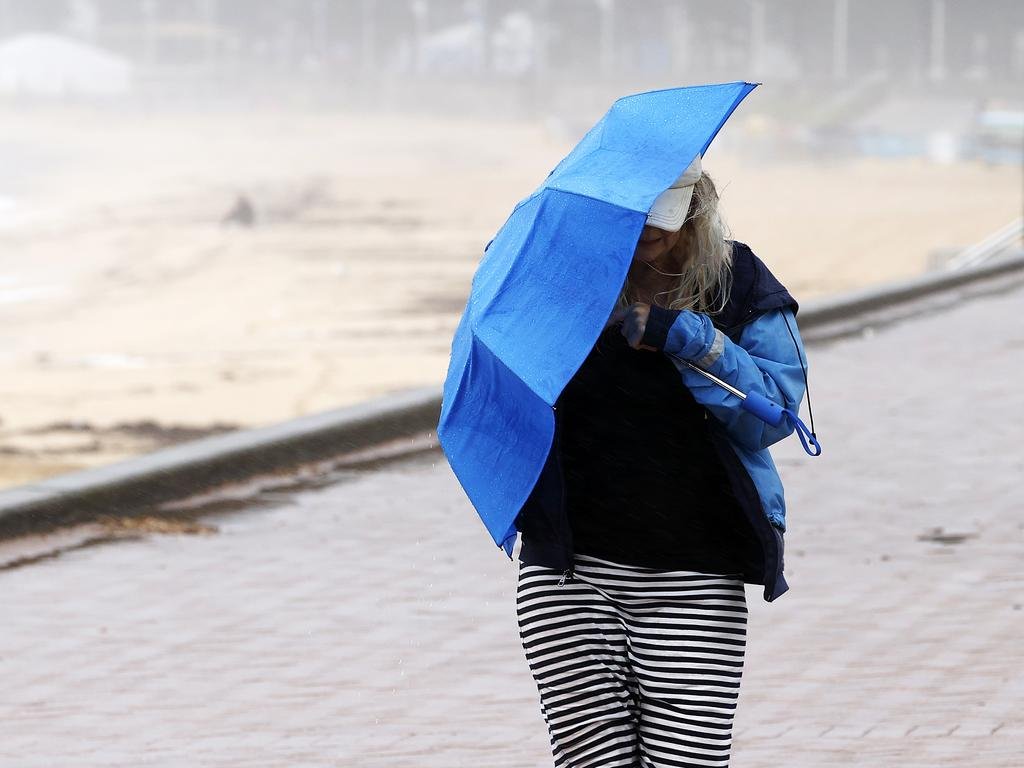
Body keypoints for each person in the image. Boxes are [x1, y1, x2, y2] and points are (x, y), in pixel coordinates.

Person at [513, 154, 809, 767]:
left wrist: (691, 339)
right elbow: (508, 384)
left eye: (662, 213)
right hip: (568, 570)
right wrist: (524, 273)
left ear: (695, 206)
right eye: (630, 211)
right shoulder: (565, 280)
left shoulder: (739, 283)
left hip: (695, 572)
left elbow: (774, 417)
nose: (647, 226)